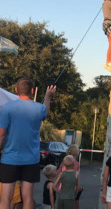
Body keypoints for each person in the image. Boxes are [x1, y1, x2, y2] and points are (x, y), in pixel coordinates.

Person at [0, 77, 56, 209]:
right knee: (28, 198)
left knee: (5, 198)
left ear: (16, 90)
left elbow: (1, 135)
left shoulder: (7, 108)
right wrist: (48, 96)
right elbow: (46, 111)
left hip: (10, 158)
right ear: (32, 90)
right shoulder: (39, 108)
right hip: (31, 159)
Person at [56, 144, 82, 209]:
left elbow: (57, 173)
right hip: (70, 188)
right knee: (73, 203)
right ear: (76, 153)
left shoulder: (65, 161)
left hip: (62, 187)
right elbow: (74, 177)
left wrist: (60, 184)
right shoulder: (75, 163)